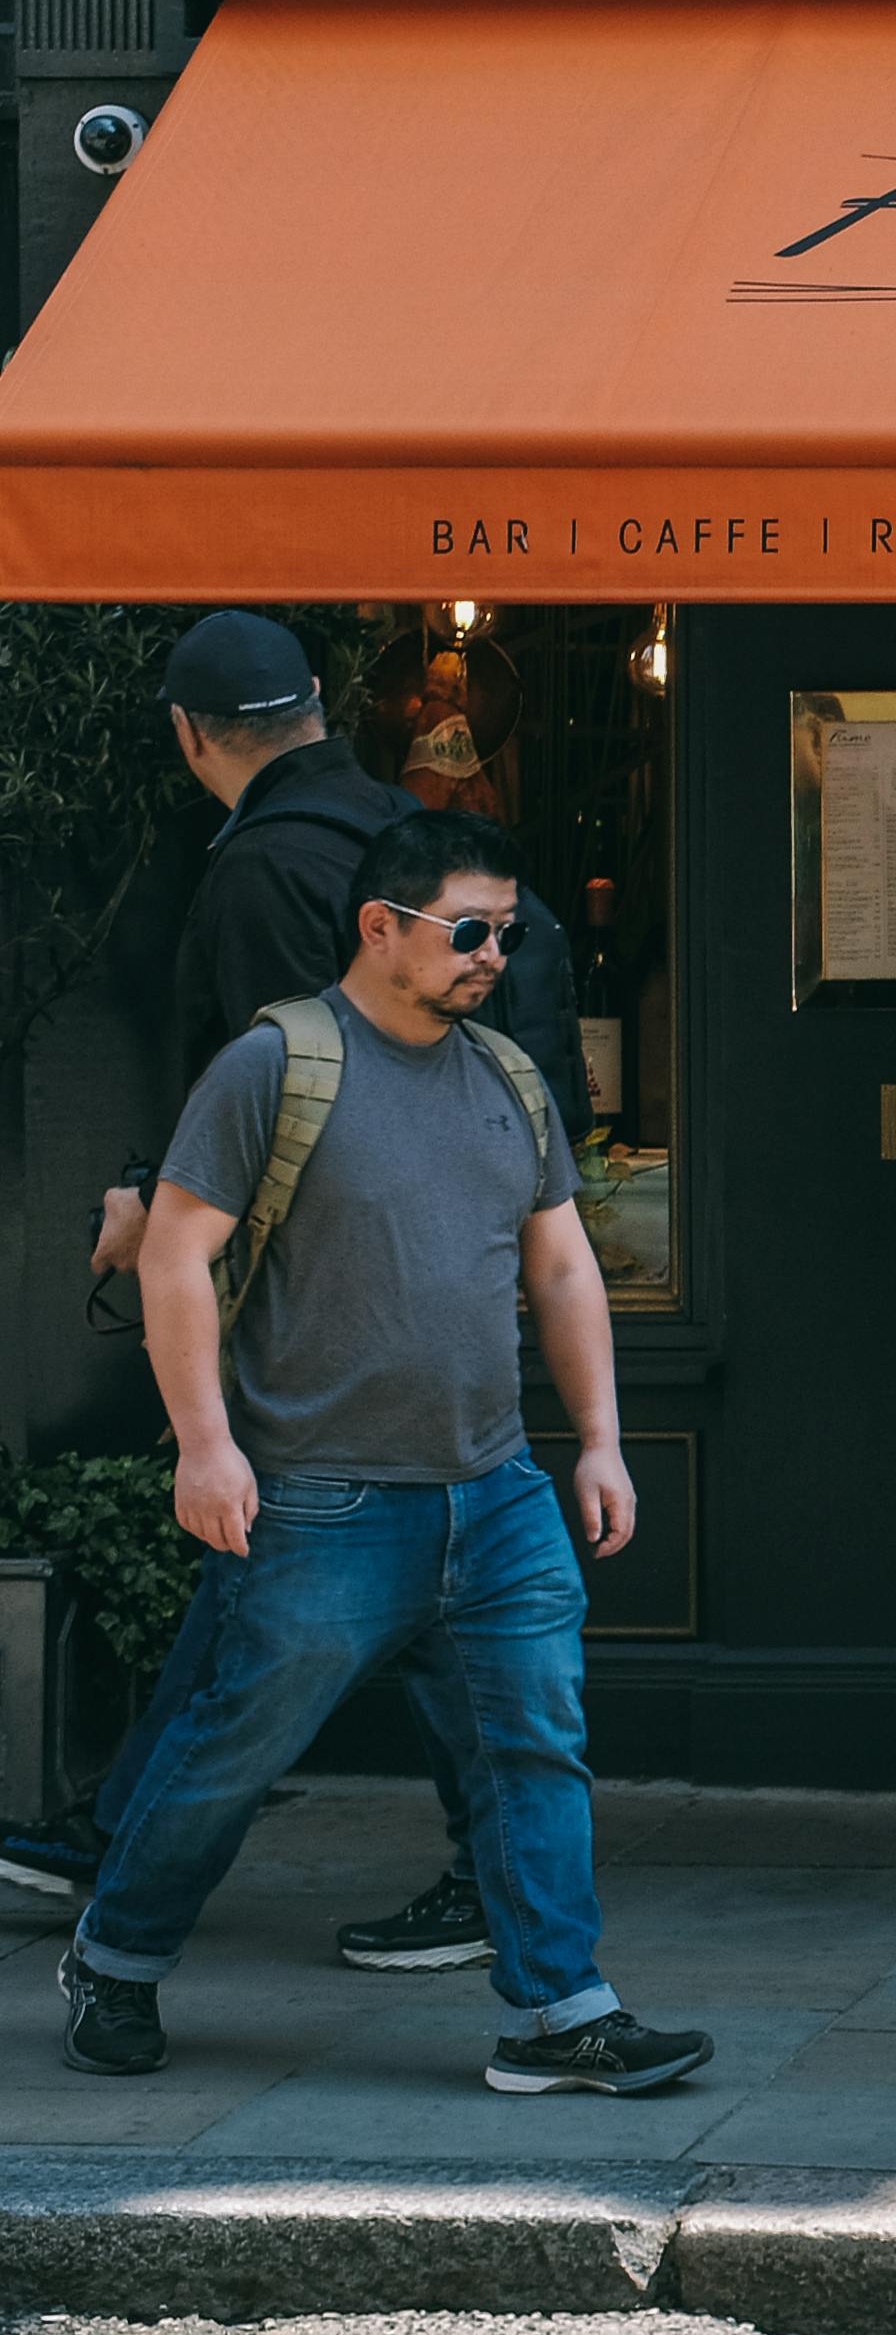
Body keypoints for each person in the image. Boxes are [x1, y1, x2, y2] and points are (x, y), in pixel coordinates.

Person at [60, 809, 699, 2092]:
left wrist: (604, 1442)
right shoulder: (277, 1064)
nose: (492, 957)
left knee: (532, 1743)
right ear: (381, 926)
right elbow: (178, 1254)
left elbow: (564, 1263)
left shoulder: (507, 1077)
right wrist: (204, 1447)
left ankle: (562, 2011)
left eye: (507, 934)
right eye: (470, 930)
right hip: (321, 1497)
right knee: (231, 1747)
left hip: (497, 1488)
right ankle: (116, 1960)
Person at [5, 611, 579, 1974]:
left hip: (347, 1333)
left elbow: (284, 1097)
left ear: (189, 734)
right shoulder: (396, 832)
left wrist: (163, 1208)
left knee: (294, 1651)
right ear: (322, 702)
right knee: (353, 1642)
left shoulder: (269, 869)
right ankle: (133, 1888)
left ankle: (126, 1894)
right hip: (431, 1336)